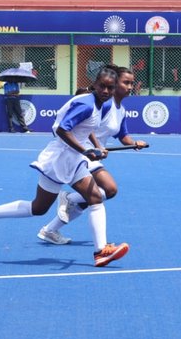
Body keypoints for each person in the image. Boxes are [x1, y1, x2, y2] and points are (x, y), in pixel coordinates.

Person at [0, 66, 129, 268]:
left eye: (110, 88)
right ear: (94, 85)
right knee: (38, 208)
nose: (106, 91)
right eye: (102, 87)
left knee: (94, 197)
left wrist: (97, 147)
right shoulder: (87, 104)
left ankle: (101, 252)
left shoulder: (102, 105)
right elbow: (61, 129)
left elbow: (86, 127)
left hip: (73, 159)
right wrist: (85, 150)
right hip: (59, 159)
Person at [38, 66, 148, 245]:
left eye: (131, 83)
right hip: (85, 152)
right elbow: (86, 127)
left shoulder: (121, 110)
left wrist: (135, 143)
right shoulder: (104, 104)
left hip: (94, 154)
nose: (129, 87)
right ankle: (70, 201)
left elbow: (123, 136)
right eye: (126, 82)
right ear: (115, 82)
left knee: (99, 195)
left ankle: (50, 229)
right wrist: (95, 147)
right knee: (104, 191)